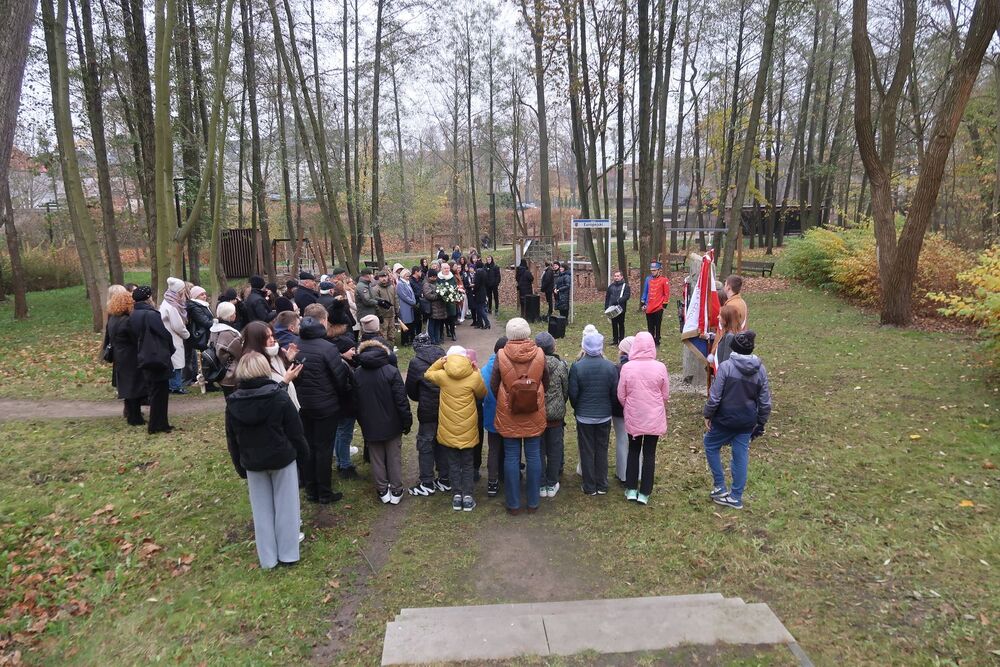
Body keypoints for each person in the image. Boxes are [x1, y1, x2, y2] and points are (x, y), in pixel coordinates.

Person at [225, 352, 309, 569]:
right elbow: (296, 431)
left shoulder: (233, 402)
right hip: (281, 457)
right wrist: (303, 456)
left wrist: (240, 465)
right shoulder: (278, 397)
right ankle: (289, 554)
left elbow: (232, 440)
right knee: (287, 507)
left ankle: (268, 559)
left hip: (253, 461)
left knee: (261, 511)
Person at [703, 330, 771, 510]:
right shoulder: (760, 370)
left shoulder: (726, 367)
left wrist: (708, 414)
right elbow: (765, 401)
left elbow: (715, 397)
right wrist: (761, 423)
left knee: (710, 444)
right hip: (747, 421)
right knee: (740, 456)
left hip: (724, 419)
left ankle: (719, 486)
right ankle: (735, 496)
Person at [490, 318, 548, 515]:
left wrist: (506, 397)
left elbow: (494, 382)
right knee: (533, 456)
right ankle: (533, 502)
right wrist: (534, 395)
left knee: (512, 457)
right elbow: (545, 380)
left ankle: (513, 504)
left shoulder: (501, 354)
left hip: (508, 411)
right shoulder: (540, 353)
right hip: (534, 409)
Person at [295, 314, 352, 504]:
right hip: (326, 406)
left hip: (304, 404)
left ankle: (312, 490)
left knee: (309, 447)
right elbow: (339, 378)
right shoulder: (328, 348)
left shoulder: (296, 345)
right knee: (323, 449)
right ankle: (325, 492)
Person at [425, 346, 487, 511]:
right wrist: (476, 370)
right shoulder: (473, 376)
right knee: (467, 463)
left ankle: (456, 495)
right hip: (468, 429)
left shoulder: (443, 376)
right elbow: (482, 393)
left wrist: (440, 362)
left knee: (453, 463)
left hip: (448, 429)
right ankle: (467, 497)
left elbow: (428, 373)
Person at [354, 339, 412, 505]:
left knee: (376, 457)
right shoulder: (391, 371)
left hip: (369, 423)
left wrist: (362, 421)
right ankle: (396, 489)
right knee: (394, 457)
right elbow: (401, 400)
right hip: (392, 422)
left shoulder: (357, 373)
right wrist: (406, 421)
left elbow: (355, 401)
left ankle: (382, 489)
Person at [617, 332, 669, 505]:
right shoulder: (660, 367)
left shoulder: (627, 367)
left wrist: (630, 406)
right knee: (649, 454)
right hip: (654, 416)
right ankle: (645, 492)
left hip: (635, 415)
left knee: (633, 450)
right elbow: (665, 394)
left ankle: (631, 488)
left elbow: (621, 394)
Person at [568, 332, 618, 496]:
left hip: (584, 416)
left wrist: (578, 408)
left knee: (587, 449)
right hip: (604, 415)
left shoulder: (577, 367)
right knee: (602, 449)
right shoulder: (610, 367)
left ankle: (589, 486)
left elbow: (573, 394)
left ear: (584, 347)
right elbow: (614, 393)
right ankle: (602, 484)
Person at [405, 334, 450, 495]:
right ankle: (445, 478)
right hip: (446, 407)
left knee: (425, 445)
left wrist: (420, 397)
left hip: (428, 409)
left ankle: (427, 481)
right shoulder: (445, 357)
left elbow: (411, 389)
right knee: (443, 442)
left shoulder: (416, 363)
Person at [129, 286, 174, 434]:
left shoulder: (133, 314)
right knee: (160, 393)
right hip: (157, 357)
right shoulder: (151, 314)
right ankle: (158, 424)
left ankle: (159, 423)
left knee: (155, 391)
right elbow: (164, 334)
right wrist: (170, 349)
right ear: (148, 298)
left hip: (144, 356)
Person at [535, 332, 569, 499]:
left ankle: (541, 483)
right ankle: (551, 481)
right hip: (555, 415)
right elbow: (565, 389)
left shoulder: (533, 365)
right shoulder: (560, 365)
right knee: (555, 449)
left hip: (537, 412)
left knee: (539, 450)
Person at [105, 289, 146, 426]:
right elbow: (136, 338)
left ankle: (130, 412)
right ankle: (135, 417)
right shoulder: (127, 321)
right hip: (130, 356)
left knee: (127, 386)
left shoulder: (112, 319)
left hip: (119, 356)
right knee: (134, 386)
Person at [241, 321, 302, 410]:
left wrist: (288, 361)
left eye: (272, 335)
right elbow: (262, 395)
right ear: (256, 340)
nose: (272, 340)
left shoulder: (275, 354)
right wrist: (285, 382)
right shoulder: (252, 362)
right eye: (267, 337)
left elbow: (285, 378)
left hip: (287, 406)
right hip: (273, 412)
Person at [480, 336, 507, 497]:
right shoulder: (508, 366)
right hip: (507, 414)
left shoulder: (485, 369)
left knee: (494, 449)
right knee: (510, 447)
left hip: (491, 414)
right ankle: (508, 474)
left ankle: (492, 481)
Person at [160, 277, 191, 394]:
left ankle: (173, 385)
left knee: (174, 362)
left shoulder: (167, 301)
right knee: (176, 363)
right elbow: (177, 325)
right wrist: (186, 334)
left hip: (170, 337)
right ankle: (176, 386)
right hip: (173, 337)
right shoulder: (172, 306)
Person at [612, 336, 635, 484]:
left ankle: (622, 473)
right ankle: (636, 472)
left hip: (619, 409)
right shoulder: (641, 368)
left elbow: (615, 390)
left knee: (621, 439)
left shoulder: (618, 369)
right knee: (635, 441)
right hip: (636, 410)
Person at [209, 302, 243, 396]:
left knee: (230, 402)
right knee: (236, 403)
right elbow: (240, 353)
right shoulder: (229, 334)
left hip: (221, 371)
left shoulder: (214, 330)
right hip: (232, 374)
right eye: (234, 313)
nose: (235, 315)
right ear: (230, 315)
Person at [186, 286, 214, 384]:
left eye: (205, 294)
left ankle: (208, 380)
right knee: (205, 358)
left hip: (206, 334)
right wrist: (216, 322)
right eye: (201, 294)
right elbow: (204, 321)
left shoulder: (203, 305)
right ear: (196, 296)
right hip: (201, 335)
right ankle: (206, 381)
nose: (204, 296)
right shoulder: (195, 307)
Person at [640, 262, 669, 345]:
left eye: (654, 270)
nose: (652, 272)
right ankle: (650, 340)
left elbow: (666, 293)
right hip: (649, 306)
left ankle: (657, 341)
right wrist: (643, 302)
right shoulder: (648, 279)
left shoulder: (664, 280)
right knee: (650, 325)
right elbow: (645, 291)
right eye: (651, 270)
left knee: (657, 325)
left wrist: (664, 304)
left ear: (659, 270)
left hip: (658, 306)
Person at [709, 304, 742, 369]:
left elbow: (726, 362)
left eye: (720, 315)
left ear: (726, 319)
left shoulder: (730, 336)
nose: (718, 317)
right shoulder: (726, 333)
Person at [372, 270, 400, 346]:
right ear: (378, 278)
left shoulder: (391, 287)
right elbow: (376, 304)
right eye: (381, 277)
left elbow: (395, 299)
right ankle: (384, 350)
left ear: (388, 277)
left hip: (392, 314)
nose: (383, 278)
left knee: (392, 333)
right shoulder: (375, 289)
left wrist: (397, 310)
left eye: (385, 276)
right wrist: (379, 315)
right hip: (383, 315)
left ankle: (391, 348)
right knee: (383, 334)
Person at [605, 270, 631, 345]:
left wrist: (619, 300)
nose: (616, 277)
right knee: (614, 324)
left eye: (618, 276)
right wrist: (606, 307)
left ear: (621, 277)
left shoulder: (625, 286)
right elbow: (607, 297)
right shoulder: (611, 286)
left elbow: (627, 296)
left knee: (621, 324)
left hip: (621, 308)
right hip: (612, 308)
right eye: (615, 276)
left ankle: (621, 340)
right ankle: (615, 340)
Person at [422, 269, 448, 345]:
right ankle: (432, 340)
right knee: (432, 324)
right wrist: (439, 296)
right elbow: (428, 295)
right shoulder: (426, 284)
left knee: (437, 324)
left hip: (439, 308)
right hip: (432, 308)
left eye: (435, 277)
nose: (434, 278)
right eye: (432, 277)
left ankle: (437, 339)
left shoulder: (436, 283)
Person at [438, 263, 460, 341]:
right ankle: (442, 335)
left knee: (451, 318)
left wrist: (454, 293)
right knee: (442, 319)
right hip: (441, 302)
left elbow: (455, 287)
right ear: (441, 269)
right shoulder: (439, 278)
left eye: (448, 268)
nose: (447, 270)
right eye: (445, 268)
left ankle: (453, 332)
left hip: (451, 301)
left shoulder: (452, 277)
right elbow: (437, 287)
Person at [472, 261, 491, 329]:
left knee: (480, 309)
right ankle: (480, 323)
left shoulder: (478, 272)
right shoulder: (484, 271)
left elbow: (477, 284)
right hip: (483, 291)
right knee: (479, 308)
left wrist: (473, 291)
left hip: (478, 293)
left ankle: (487, 322)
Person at [409, 266, 425, 339]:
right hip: (414, 303)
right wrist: (420, 294)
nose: (421, 273)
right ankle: (415, 335)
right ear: (416, 272)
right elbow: (410, 293)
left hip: (420, 302)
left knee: (419, 319)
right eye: (420, 271)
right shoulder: (411, 281)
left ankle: (419, 334)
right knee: (415, 320)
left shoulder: (419, 280)